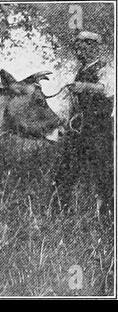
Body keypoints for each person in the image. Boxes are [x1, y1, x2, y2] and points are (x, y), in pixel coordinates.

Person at [54, 31, 114, 221]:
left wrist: (84, 87)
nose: (79, 50)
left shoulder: (105, 68)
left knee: (103, 172)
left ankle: (107, 215)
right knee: (67, 169)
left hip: (99, 128)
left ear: (93, 47)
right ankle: (60, 211)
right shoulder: (80, 70)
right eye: (78, 47)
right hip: (79, 128)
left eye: (83, 46)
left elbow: (109, 89)